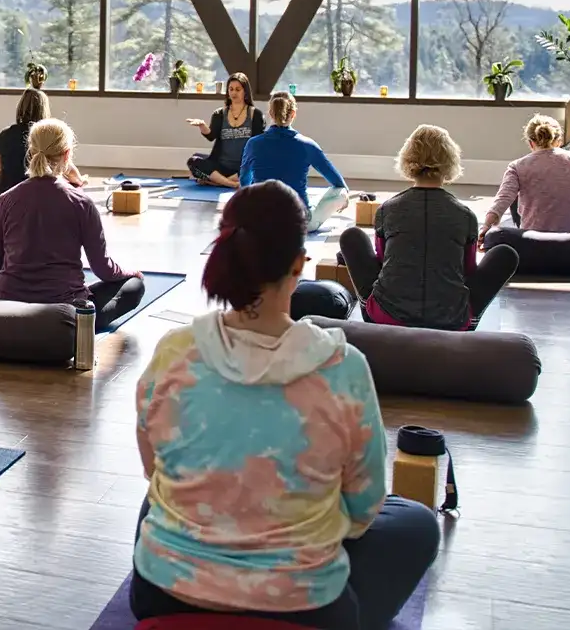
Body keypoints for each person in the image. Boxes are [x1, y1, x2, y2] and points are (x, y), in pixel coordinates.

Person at [131, 179, 439, 629]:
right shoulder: (342, 367)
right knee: (415, 522)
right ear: (299, 263)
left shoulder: (174, 351)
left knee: (165, 493)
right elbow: (364, 508)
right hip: (304, 608)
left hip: (163, 594)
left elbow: (152, 465)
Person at [340, 126, 518, 331]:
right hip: (451, 321)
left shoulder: (387, 210)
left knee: (351, 237)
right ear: (451, 162)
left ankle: (380, 307)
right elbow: (467, 273)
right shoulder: (465, 215)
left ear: (407, 160)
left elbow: (382, 262)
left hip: (386, 317)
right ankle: (468, 319)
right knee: (505, 254)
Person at [0, 119, 145, 322]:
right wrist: (131, 272)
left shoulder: (6, 198)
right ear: (67, 154)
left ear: (31, 151)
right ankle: (76, 324)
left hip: (10, 303)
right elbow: (103, 269)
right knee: (134, 286)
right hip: (64, 311)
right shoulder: (81, 202)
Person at [240, 91, 349, 232]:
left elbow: (244, 181)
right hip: (298, 224)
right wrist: (344, 197)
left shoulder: (253, 144)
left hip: (261, 222)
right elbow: (337, 182)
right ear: (293, 114)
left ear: (271, 114)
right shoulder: (308, 145)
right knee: (341, 192)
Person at [0, 89, 82, 201]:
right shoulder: (45, 138)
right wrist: (81, 181)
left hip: (4, 196)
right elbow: (69, 171)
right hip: (38, 198)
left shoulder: (4, 135)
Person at [185, 72, 263, 188]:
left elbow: (258, 145)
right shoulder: (219, 114)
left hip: (243, 168)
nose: (233, 93)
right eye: (231, 89)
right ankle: (231, 184)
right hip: (221, 166)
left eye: (238, 89)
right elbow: (211, 136)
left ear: (245, 92)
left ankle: (214, 181)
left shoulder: (255, 114)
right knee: (193, 161)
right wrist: (203, 126)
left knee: (259, 166)